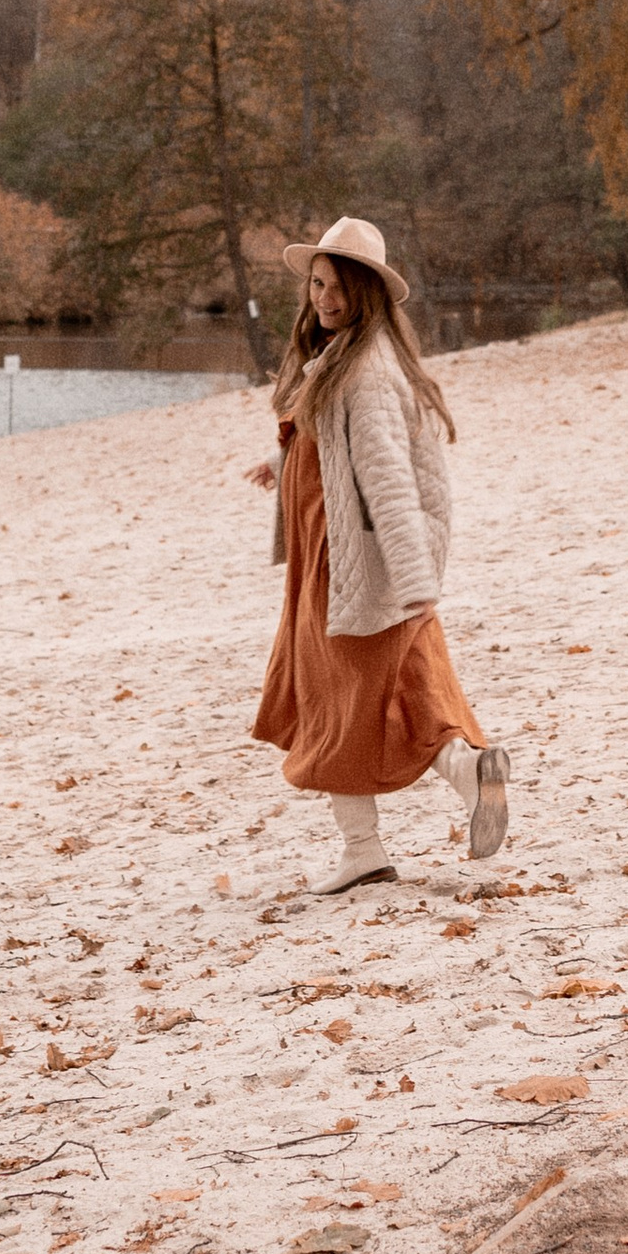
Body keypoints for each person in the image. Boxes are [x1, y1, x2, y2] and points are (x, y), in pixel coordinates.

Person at [246, 216, 511, 893]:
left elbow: (390, 481)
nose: (325, 298)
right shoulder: (342, 357)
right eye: (318, 283)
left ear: (367, 293)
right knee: (403, 691)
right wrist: (281, 464)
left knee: (339, 702)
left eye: (339, 287)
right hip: (333, 562)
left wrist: (416, 577)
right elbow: (329, 452)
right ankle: (458, 780)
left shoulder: (363, 371)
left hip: (352, 569)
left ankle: (376, 835)